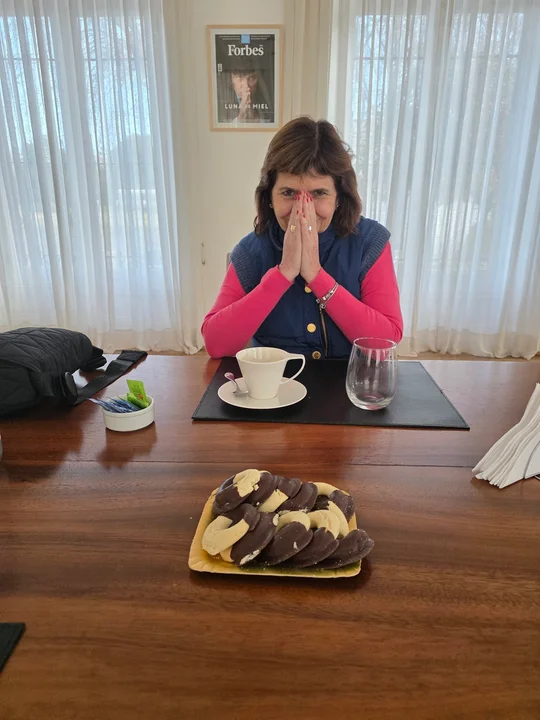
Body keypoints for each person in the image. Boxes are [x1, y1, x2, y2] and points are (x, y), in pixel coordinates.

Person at [202, 117, 403, 359]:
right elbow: (216, 344)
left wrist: (317, 276)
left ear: (339, 198)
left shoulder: (370, 242)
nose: (303, 209)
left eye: (319, 193)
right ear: (269, 197)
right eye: (288, 193)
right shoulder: (251, 250)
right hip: (273, 382)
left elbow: (384, 346)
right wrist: (283, 273)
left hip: (348, 381)